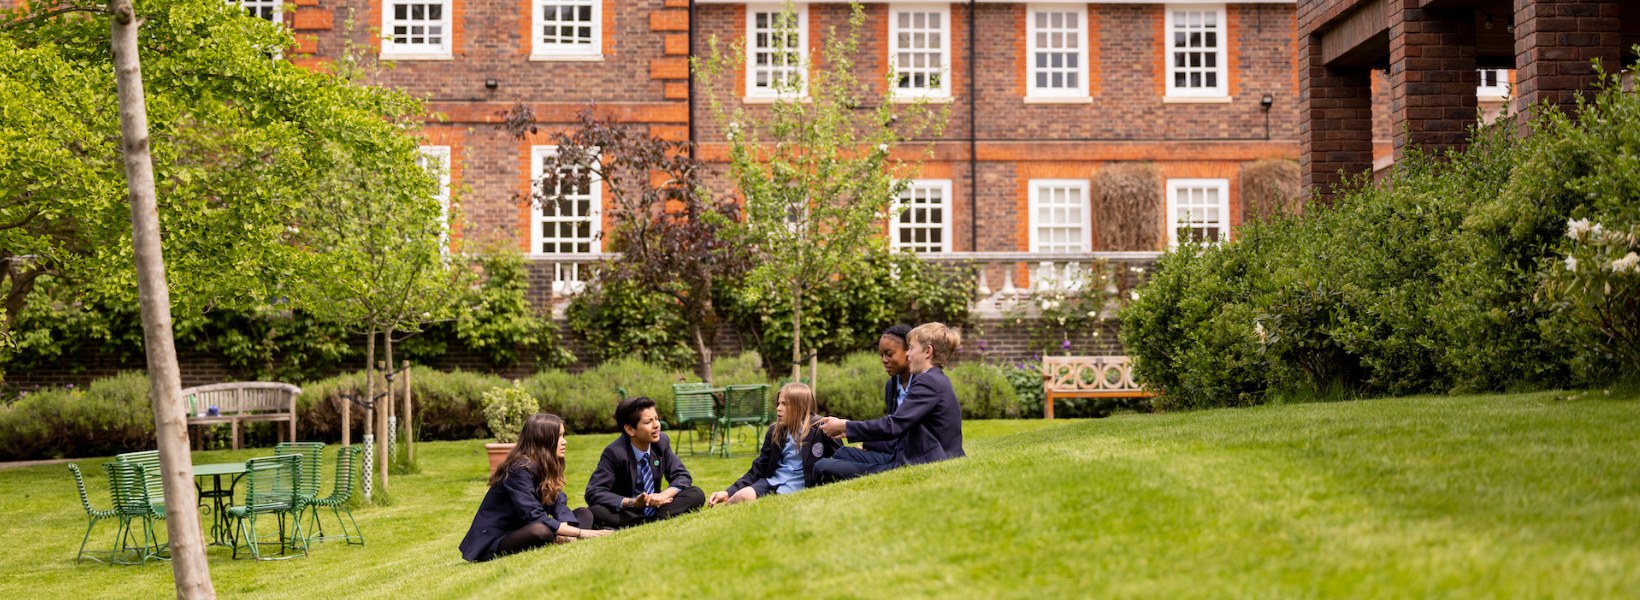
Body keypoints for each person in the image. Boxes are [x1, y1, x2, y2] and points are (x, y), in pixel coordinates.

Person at [814, 322, 966, 483]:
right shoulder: (936, 378)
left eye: (911, 348)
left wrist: (846, 426)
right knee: (842, 453)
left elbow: (893, 425)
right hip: (914, 455)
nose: (908, 354)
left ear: (928, 351)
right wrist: (855, 435)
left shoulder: (927, 381)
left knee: (822, 466)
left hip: (923, 462)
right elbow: (900, 430)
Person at [459, 413, 609, 562]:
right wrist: (581, 532)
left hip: (526, 526)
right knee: (540, 530)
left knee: (584, 513)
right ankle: (560, 537)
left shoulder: (545, 464)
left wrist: (566, 524)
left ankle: (561, 538)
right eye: (559, 436)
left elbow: (558, 503)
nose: (565, 442)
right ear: (543, 439)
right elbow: (533, 515)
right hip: (498, 537)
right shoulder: (519, 469)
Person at [707, 383, 840, 507]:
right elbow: (758, 467)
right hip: (773, 482)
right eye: (778, 403)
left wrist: (859, 454)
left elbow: (841, 457)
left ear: (799, 406)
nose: (778, 408)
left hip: (802, 485)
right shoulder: (775, 431)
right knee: (744, 495)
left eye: (784, 404)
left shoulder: (822, 428)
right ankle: (725, 508)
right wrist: (728, 492)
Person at [585, 396, 706, 528]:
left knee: (696, 494)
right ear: (630, 429)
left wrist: (663, 495)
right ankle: (650, 521)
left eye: (657, 419)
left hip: (658, 506)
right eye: (648, 422)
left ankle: (646, 522)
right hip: (628, 511)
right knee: (596, 511)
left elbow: (682, 476)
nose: (656, 425)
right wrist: (632, 502)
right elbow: (594, 492)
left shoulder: (661, 442)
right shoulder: (615, 452)